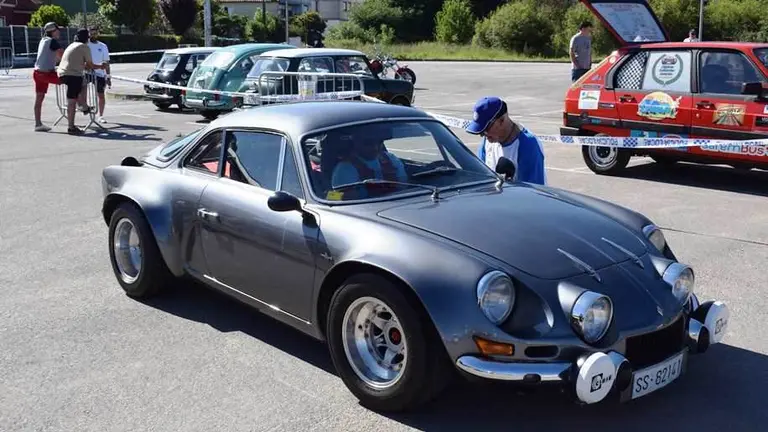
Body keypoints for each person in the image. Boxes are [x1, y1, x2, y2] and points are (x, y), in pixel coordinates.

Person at [465, 96, 547, 185]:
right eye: (481, 131)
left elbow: (532, 190)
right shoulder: (487, 141)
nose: (482, 135)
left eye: (486, 128)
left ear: (502, 120)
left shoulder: (528, 145)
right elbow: (480, 178)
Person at [330, 129, 408, 200]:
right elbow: (340, 198)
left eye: (379, 142)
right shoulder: (344, 168)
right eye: (368, 143)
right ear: (356, 143)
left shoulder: (391, 159)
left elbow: (404, 185)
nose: (375, 148)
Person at [57, 28, 106, 135]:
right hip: (73, 75)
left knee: (83, 83)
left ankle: (83, 105)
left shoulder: (71, 45)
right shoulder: (84, 47)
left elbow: (77, 62)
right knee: (72, 101)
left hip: (62, 73)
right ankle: (71, 126)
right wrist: (101, 66)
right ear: (86, 38)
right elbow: (90, 65)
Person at [32, 22, 64, 132]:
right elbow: (63, 57)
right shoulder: (52, 41)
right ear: (53, 31)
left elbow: (51, 56)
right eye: (57, 30)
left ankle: (38, 124)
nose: (59, 32)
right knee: (72, 80)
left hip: (37, 72)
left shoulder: (43, 40)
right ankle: (80, 104)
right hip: (46, 74)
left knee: (39, 98)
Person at [87, 26, 111, 123]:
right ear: (88, 33)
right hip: (86, 73)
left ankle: (100, 116)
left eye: (95, 33)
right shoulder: (85, 45)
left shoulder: (103, 46)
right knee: (80, 90)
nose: (93, 35)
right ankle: (83, 106)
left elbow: (106, 62)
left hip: (99, 74)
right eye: (91, 33)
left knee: (101, 95)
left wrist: (108, 76)